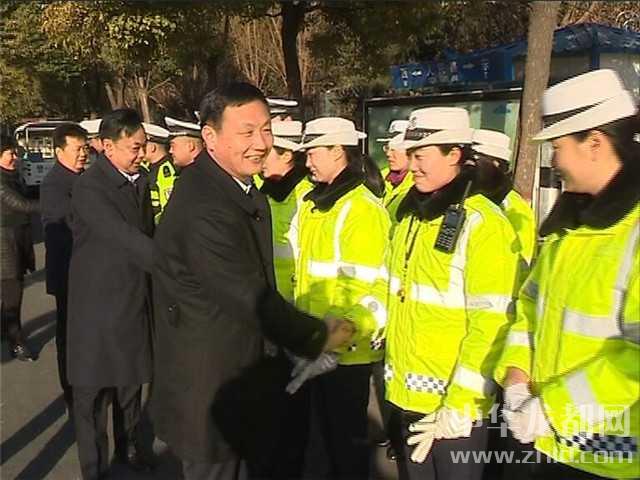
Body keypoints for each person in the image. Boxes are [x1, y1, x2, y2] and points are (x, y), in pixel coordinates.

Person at [151, 82, 354, 480]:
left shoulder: (235, 188)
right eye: (246, 132)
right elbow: (247, 295)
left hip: (244, 382)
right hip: (213, 391)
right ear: (210, 137)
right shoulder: (204, 206)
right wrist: (316, 336)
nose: (261, 143)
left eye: (266, 130)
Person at [496, 69, 639, 479]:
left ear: (595, 143)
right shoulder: (569, 225)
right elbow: (529, 307)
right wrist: (516, 378)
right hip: (545, 443)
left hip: (608, 459)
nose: (554, 161)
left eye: (557, 148)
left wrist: (552, 408)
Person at [385, 109, 520, 480]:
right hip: (406, 397)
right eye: (411, 155)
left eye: (421, 156)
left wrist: (460, 403)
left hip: (455, 411)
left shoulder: (484, 224)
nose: (412, 165)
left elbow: (491, 321)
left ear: (454, 154)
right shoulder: (410, 216)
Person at [289, 116, 390, 480]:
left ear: (337, 151)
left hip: (346, 354)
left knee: (346, 449)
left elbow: (361, 290)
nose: (307, 161)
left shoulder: (360, 209)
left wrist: (332, 341)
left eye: (313, 152)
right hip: (319, 348)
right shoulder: (318, 204)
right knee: (326, 445)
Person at [67, 109, 154, 480]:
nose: (141, 154)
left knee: (130, 385)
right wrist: (174, 265)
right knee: (93, 396)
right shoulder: (90, 187)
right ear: (107, 145)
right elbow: (123, 236)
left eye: (143, 146)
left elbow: (148, 233)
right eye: (135, 147)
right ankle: (94, 468)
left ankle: (129, 447)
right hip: (96, 310)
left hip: (132, 300)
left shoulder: (141, 181)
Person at [40, 122, 88, 408]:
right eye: (77, 149)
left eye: (85, 148)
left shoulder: (83, 178)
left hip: (85, 272)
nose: (83, 154)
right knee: (69, 335)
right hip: (68, 271)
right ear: (59, 152)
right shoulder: (55, 184)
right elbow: (65, 230)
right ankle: (71, 390)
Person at [260, 120, 311, 301]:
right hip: (268, 297)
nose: (260, 159)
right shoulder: (262, 194)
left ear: (287, 156)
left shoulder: (306, 198)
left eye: (266, 153)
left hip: (296, 301)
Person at [471, 129, 537, 265]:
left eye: (475, 160)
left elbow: (521, 260)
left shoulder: (514, 207)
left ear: (495, 164)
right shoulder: (470, 195)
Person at [0, 138, 38, 361]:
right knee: (13, 297)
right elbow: (21, 204)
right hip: (5, 246)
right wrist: (54, 204)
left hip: (18, 241)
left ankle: (5, 331)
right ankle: (17, 343)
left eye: (16, 153)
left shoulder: (13, 176)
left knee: (11, 293)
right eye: (10, 154)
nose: (15, 158)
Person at [143, 123, 175, 225]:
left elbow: (168, 205)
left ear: (152, 147)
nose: (140, 150)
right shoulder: (147, 167)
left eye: (143, 145)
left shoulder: (166, 169)